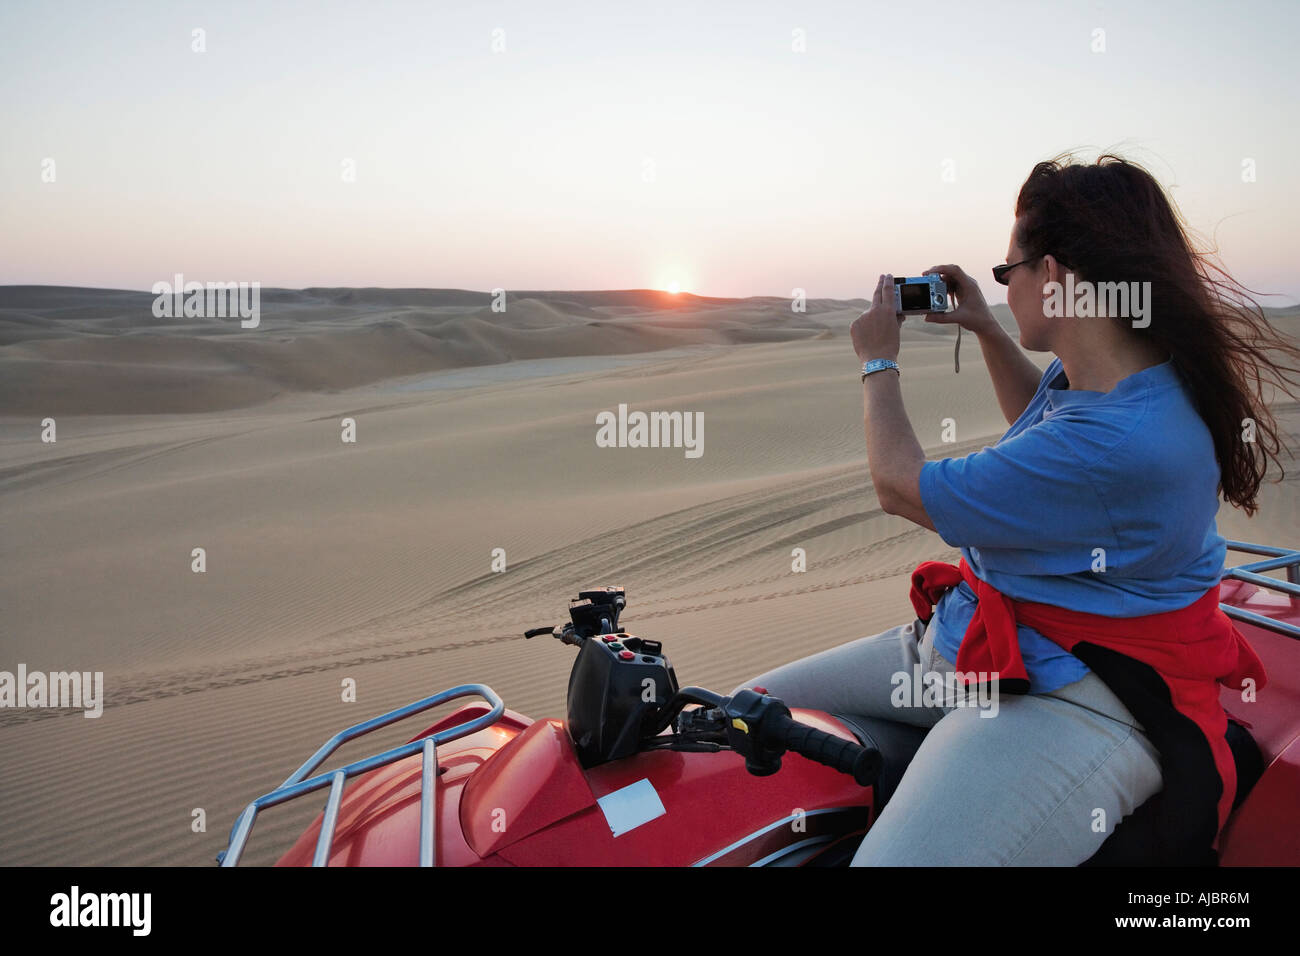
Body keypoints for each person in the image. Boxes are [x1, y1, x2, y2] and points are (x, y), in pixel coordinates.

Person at [731, 152, 1300, 865]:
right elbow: (1045, 427)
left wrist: (878, 362)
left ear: (1054, 275)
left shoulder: (1125, 438)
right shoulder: (1120, 371)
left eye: (1007, 274)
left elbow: (901, 487)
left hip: (1075, 693)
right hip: (973, 644)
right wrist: (990, 329)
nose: (1002, 287)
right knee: (734, 719)